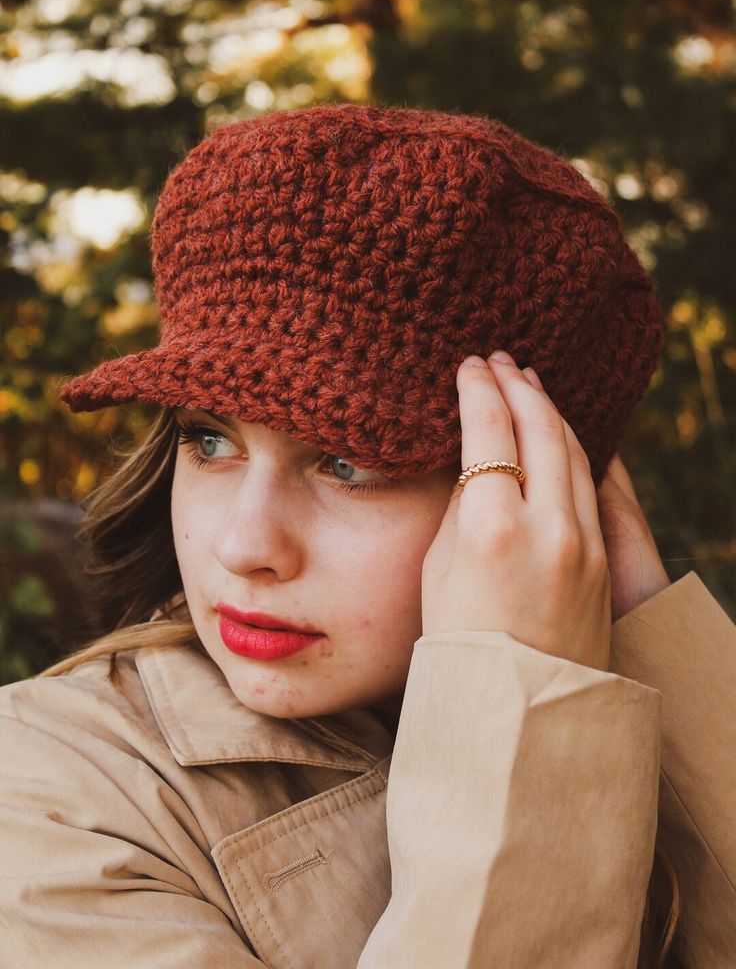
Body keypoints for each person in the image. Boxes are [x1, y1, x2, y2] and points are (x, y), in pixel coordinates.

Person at [0, 104, 733, 968]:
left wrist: (644, 631)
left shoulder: (636, 706)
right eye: (209, 441)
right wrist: (515, 722)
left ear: (536, 487)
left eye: (348, 462)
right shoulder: (51, 788)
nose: (245, 545)